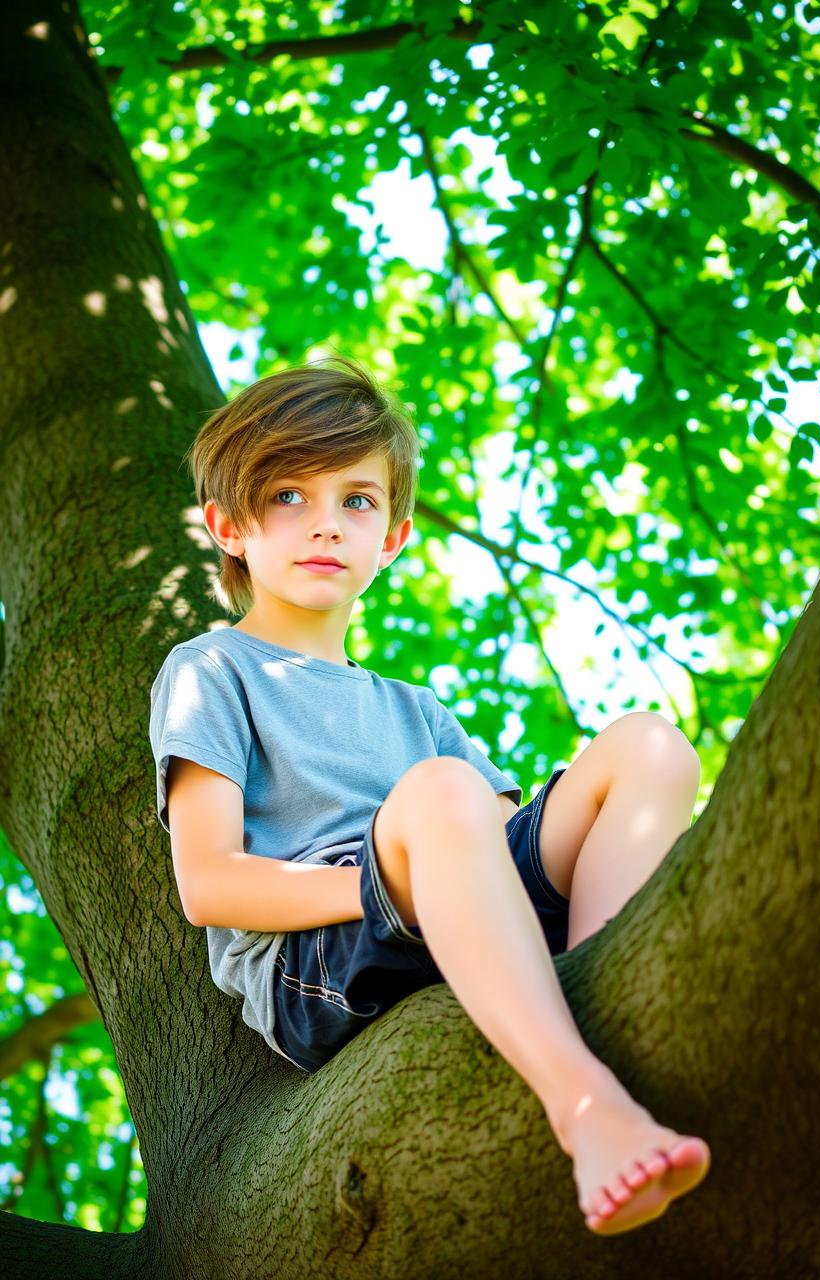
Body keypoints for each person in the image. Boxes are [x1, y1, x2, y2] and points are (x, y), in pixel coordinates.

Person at [148, 353, 711, 1236]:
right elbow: (208, 884)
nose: (325, 524)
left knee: (648, 744)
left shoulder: (415, 708)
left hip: (445, 881)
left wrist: (455, 865)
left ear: (395, 535)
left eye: (356, 501)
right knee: (445, 793)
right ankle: (583, 1103)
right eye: (288, 496)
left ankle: (600, 1003)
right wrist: (399, 882)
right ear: (228, 526)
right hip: (322, 956)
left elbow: (495, 833)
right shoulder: (211, 670)